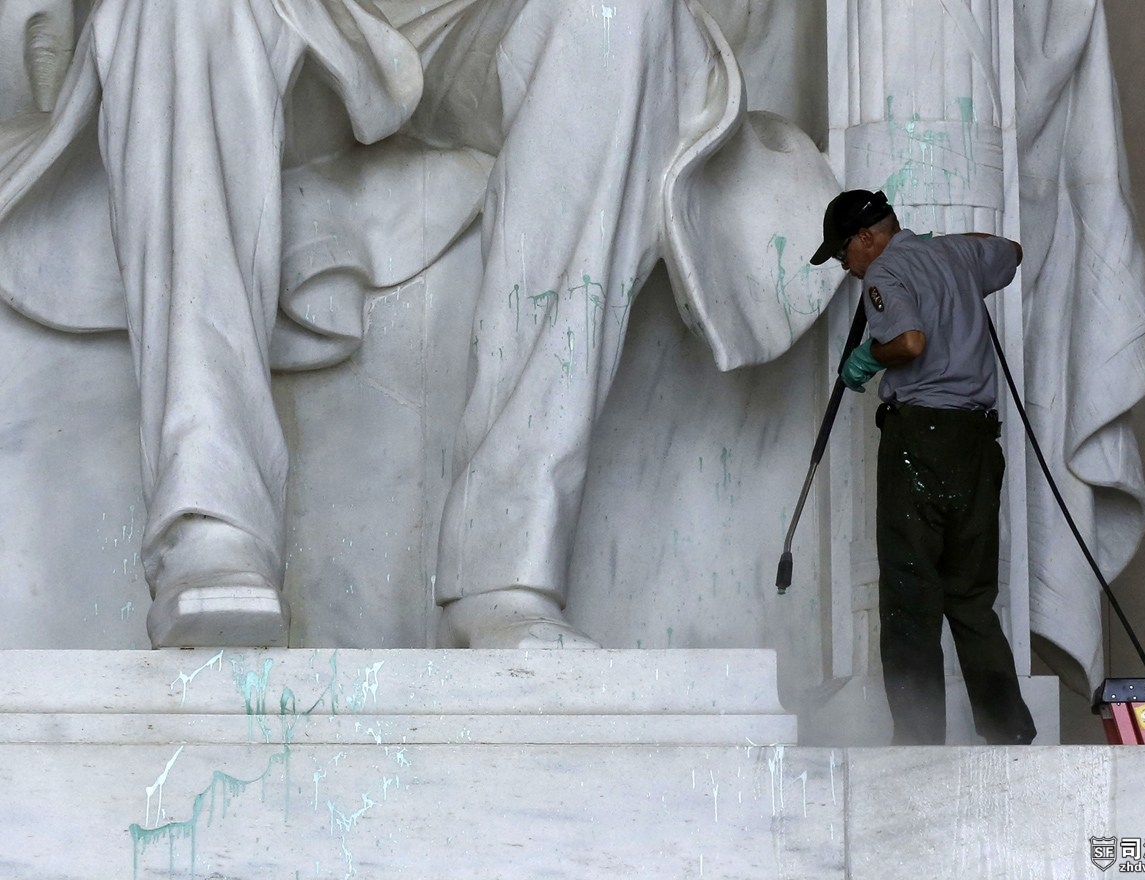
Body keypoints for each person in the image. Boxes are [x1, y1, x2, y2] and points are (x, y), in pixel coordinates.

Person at [0, 0, 839, 648]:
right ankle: (208, 525)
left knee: (617, 15)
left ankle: (510, 563)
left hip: (481, 24)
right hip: (291, 20)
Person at [810, 189, 1038, 745]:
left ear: (867, 238)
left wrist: (869, 355)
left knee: (911, 593)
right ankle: (1009, 733)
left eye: (844, 254)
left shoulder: (884, 272)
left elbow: (909, 341)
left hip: (922, 439)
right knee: (971, 597)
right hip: (980, 444)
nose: (847, 265)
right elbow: (1011, 250)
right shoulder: (956, 256)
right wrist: (951, 248)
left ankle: (917, 739)